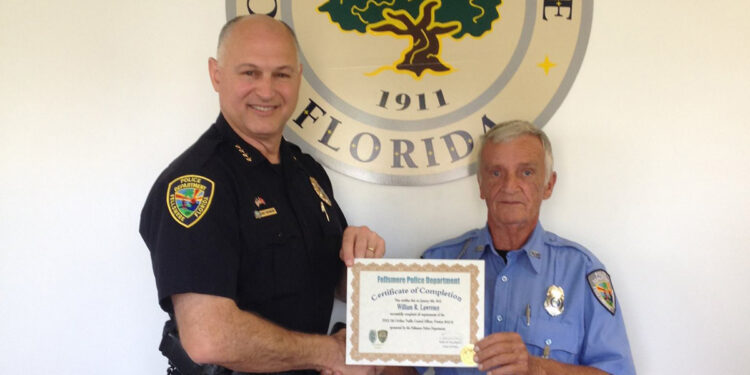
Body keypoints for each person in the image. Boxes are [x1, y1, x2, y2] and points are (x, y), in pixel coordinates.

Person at [139, 15, 384, 375]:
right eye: (250, 73)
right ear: (216, 75)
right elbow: (209, 337)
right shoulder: (197, 183)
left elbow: (334, 286)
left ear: (298, 77)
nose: (267, 91)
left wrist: (362, 261)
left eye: (281, 74)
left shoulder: (307, 173)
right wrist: (328, 353)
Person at [410, 120, 636, 374]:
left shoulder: (581, 272)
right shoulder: (438, 266)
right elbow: (404, 370)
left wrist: (537, 367)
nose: (509, 186)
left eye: (526, 172)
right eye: (496, 173)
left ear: (549, 185)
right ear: (481, 185)